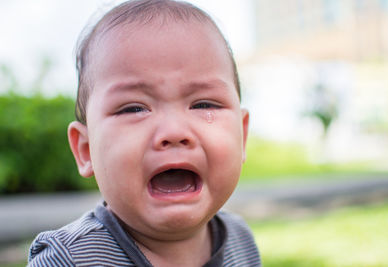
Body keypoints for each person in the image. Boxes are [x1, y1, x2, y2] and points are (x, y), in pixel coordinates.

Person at [28, 0, 260, 266]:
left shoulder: (240, 242)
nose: (174, 132)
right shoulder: (70, 259)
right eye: (134, 109)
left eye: (203, 104)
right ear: (85, 150)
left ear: (241, 136)